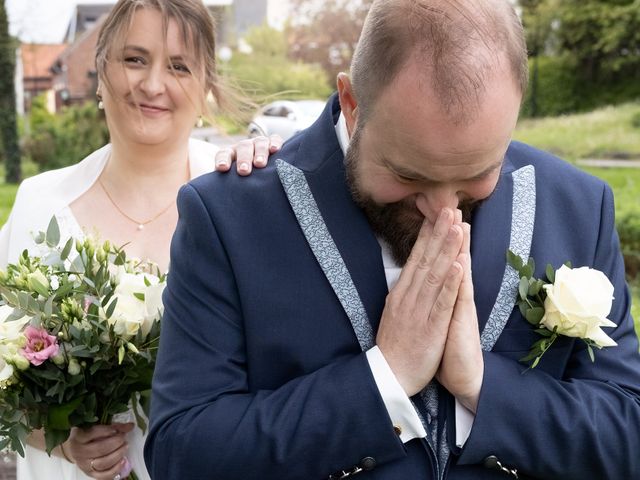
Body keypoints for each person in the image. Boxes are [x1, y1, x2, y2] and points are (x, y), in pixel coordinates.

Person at [145, 0, 640, 478]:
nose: (444, 211)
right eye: (409, 176)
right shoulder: (229, 216)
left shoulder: (578, 206)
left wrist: (484, 385)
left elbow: (628, 433)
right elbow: (183, 452)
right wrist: (383, 380)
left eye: (476, 176)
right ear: (352, 103)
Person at [0, 1, 281, 479]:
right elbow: (7, 385)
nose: (152, 85)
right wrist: (65, 442)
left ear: (206, 85)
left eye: (178, 66)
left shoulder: (247, 197)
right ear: (100, 70)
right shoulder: (39, 203)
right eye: (134, 59)